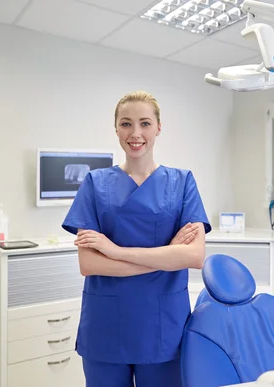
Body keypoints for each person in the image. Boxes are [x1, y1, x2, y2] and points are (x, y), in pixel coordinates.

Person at [61, 90, 212, 387]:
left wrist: (114, 251)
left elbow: (194, 257)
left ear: (158, 127)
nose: (135, 133)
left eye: (144, 123)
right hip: (106, 324)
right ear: (116, 129)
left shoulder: (182, 182)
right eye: (126, 124)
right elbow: (89, 263)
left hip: (162, 325)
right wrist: (167, 254)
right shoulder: (94, 183)